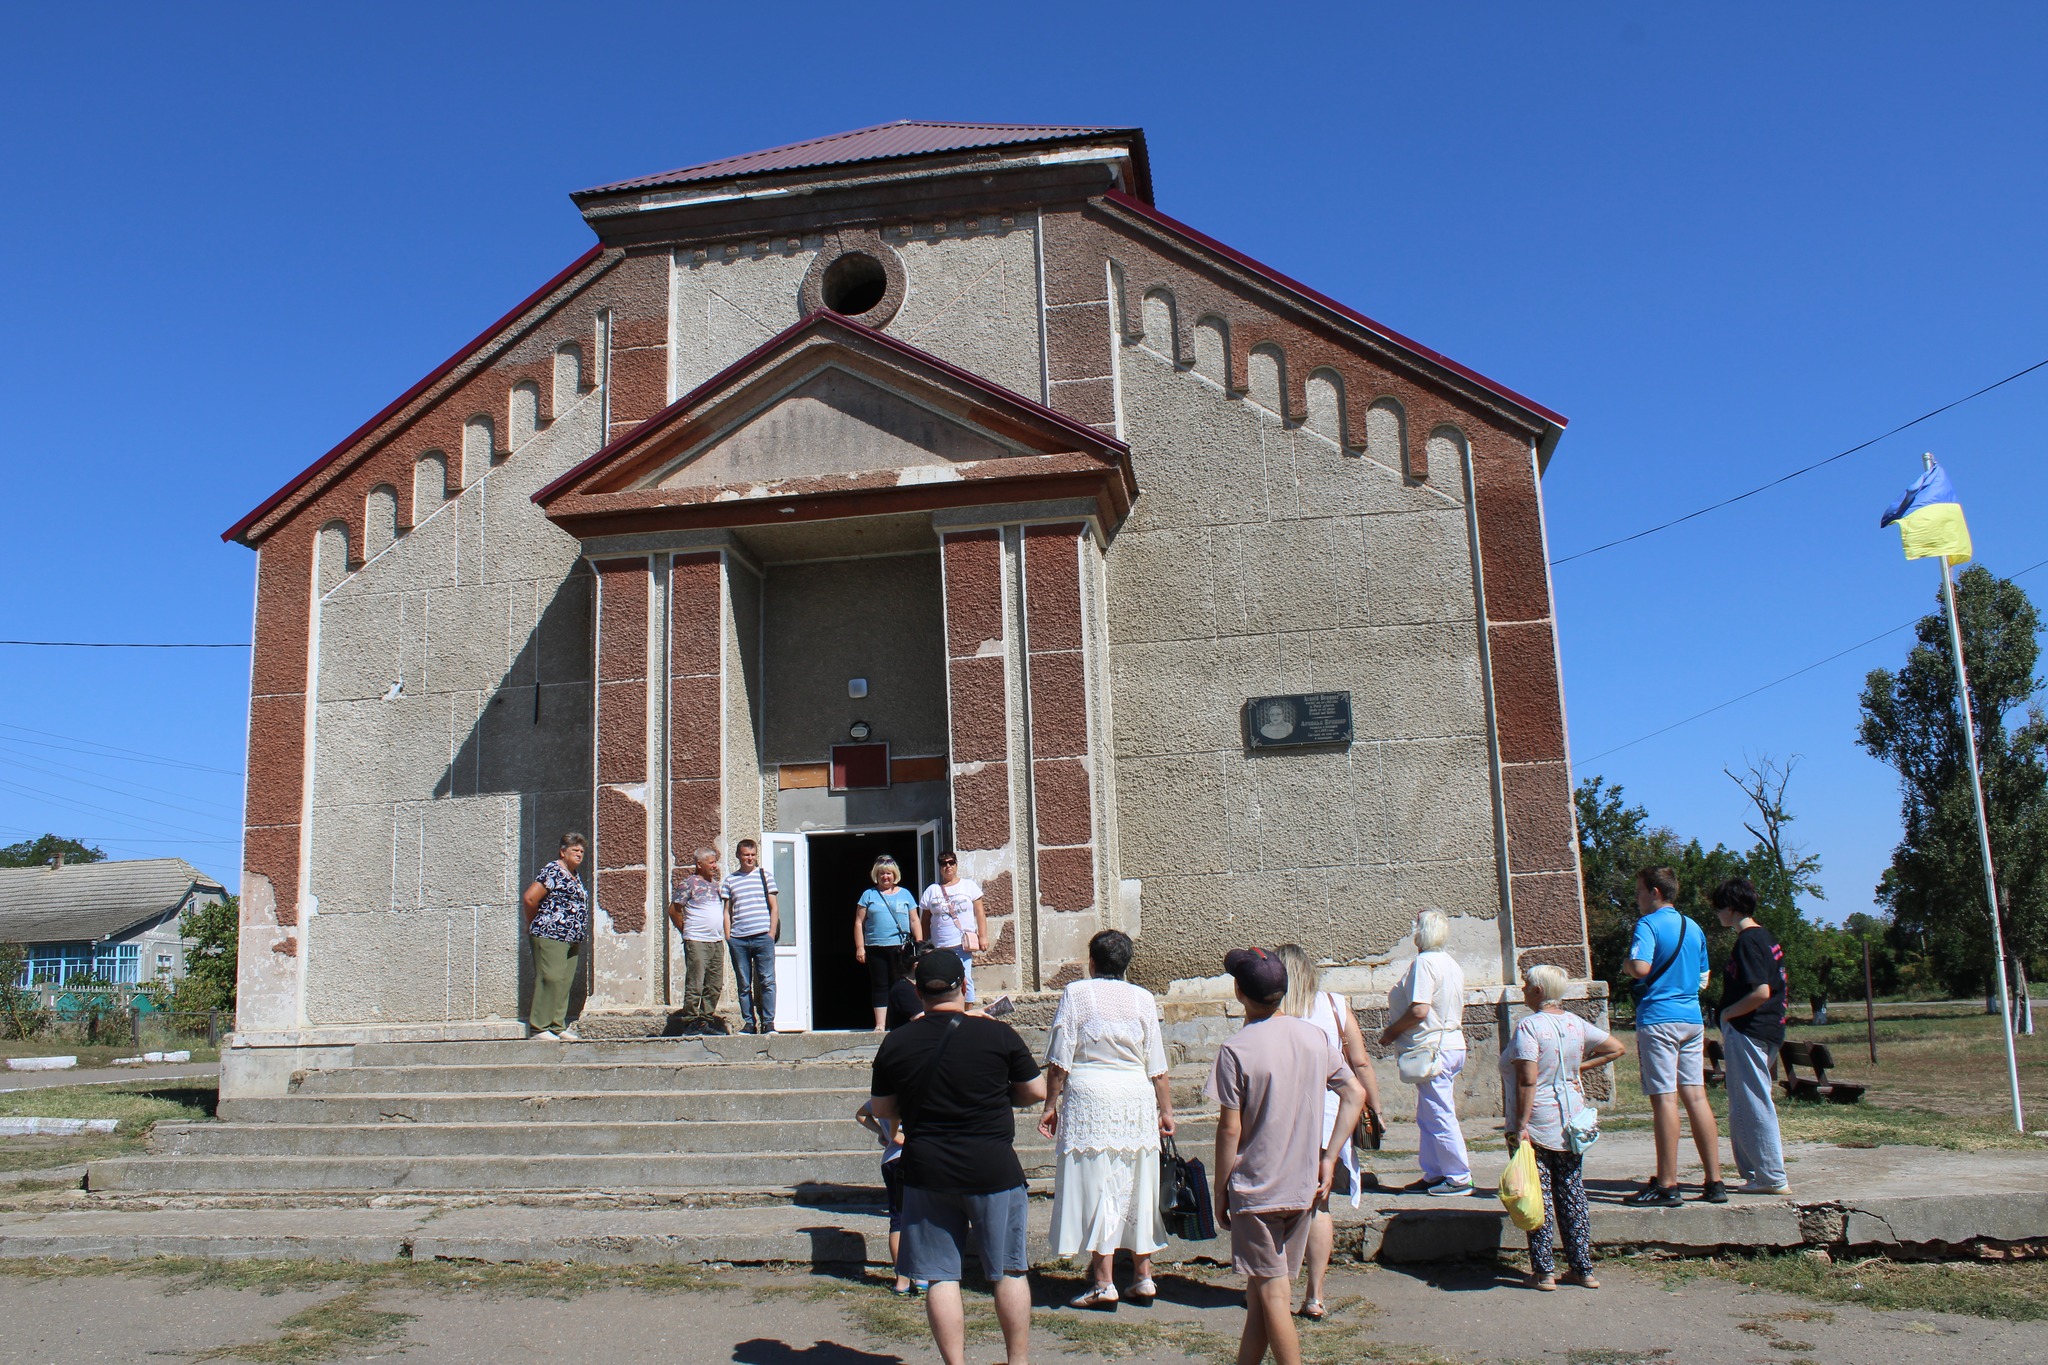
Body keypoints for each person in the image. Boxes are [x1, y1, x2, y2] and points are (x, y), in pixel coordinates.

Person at [869, 950, 1045, 1365]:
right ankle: (1017, 1362)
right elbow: (1035, 1091)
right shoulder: (997, 1034)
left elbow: (880, 1108)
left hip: (928, 1169)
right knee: (1009, 1270)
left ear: (917, 992)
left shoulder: (898, 1041)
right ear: (963, 987)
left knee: (940, 1277)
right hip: (993, 1166)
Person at [1208, 947, 1367, 1365]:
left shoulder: (1236, 1049)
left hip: (1257, 1186)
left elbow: (1230, 1128)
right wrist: (1330, 1156)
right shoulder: (1313, 1037)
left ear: (1240, 992)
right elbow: (1355, 1092)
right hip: (1302, 1186)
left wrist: (1220, 1188)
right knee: (1264, 1295)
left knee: (1272, 1293)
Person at [1037, 929, 1173, 1309]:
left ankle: (1103, 1281)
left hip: (1090, 1097)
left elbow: (1060, 1058)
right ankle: (1143, 1275)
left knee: (1098, 1182)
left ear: (1092, 961)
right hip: (1134, 1097)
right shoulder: (1143, 998)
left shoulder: (1077, 994)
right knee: (1136, 1180)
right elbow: (1157, 1064)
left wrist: (1050, 1105)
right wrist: (1166, 1110)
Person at [1275, 943, 1383, 1320]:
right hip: (1332, 1115)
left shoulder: (1274, 1009)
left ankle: (1277, 1293)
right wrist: (1376, 1107)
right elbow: (1360, 1061)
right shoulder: (1335, 1005)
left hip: (1284, 1116)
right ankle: (1315, 1296)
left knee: (1279, 1207)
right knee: (1320, 1206)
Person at [1504, 964, 1626, 1291]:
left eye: (1527, 984)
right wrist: (1576, 1068)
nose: (1523, 989)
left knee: (1537, 1193)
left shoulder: (1529, 1027)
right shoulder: (1576, 1023)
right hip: (1572, 1118)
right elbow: (1616, 1047)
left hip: (1538, 1120)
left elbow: (1527, 1080)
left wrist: (1521, 1124)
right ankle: (1582, 1268)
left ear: (1539, 991)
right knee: (1572, 1191)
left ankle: (1544, 1271)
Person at [1624, 866, 1724, 1206]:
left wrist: (1626, 965)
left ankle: (1667, 1183)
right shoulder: (1693, 927)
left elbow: (1640, 968)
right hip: (1692, 1019)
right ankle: (1715, 1180)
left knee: (1665, 1099)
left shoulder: (1648, 925)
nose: (1636, 898)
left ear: (1654, 892)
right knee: (1696, 1097)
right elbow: (1702, 978)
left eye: (1639, 891)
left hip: (1659, 1020)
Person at [1378, 909, 1472, 1196]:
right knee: (1430, 1113)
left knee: (1440, 1113)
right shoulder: (1450, 963)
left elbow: (1420, 1009)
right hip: (1450, 1044)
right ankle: (1434, 1172)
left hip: (1432, 1048)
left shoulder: (1424, 963)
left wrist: (1392, 1031)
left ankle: (1458, 1177)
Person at [1712, 876, 1791, 1195]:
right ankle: (1755, 1173)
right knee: (1744, 1102)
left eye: (1719, 908)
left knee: (1754, 1102)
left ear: (1731, 908)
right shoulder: (1764, 937)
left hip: (1751, 1030)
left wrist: (1728, 1014)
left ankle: (1771, 1176)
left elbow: (1761, 991)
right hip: (1766, 1030)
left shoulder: (1749, 940)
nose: (1717, 915)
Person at [519, 833, 588, 1041]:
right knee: (551, 978)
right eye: (575, 850)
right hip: (550, 933)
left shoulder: (574, 875)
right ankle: (539, 1027)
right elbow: (530, 898)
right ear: (563, 852)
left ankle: (557, 1025)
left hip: (571, 937)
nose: (579, 854)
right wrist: (532, 923)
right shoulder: (553, 870)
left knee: (564, 981)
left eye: (582, 851)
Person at [855, 856, 922, 1031]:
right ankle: (880, 1025)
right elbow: (858, 922)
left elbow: (914, 920)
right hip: (875, 946)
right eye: (882, 873)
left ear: (895, 875)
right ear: (877, 875)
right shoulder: (868, 895)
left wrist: (919, 944)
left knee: (900, 985)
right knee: (880, 985)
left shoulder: (905, 894)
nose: (886, 877)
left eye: (889, 873)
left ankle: (900, 1023)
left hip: (899, 947)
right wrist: (860, 947)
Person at [669, 846, 727, 1034]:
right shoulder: (689, 883)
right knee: (696, 982)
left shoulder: (717, 885)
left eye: (715, 862)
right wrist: (686, 930)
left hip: (716, 941)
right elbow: (674, 910)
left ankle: (705, 1020)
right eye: (711, 862)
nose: (715, 866)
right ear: (699, 864)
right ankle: (691, 1022)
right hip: (697, 940)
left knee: (714, 983)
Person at [723, 838, 780, 1034]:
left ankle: (769, 1022)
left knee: (767, 980)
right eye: (746, 855)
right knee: (744, 983)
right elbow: (727, 911)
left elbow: (774, 908)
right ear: (739, 856)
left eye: (753, 855)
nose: (750, 858)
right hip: (739, 939)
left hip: (762, 937)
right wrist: (729, 936)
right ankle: (749, 1023)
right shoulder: (730, 880)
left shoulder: (765, 876)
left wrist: (771, 933)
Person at [917, 851, 986, 1002]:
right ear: (940, 867)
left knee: (966, 979)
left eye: (951, 862)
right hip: (939, 945)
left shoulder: (968, 885)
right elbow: (925, 919)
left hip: (962, 944)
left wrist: (983, 937)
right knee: (943, 980)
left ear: (956, 864)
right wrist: (923, 942)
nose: (948, 866)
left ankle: (966, 1015)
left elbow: (980, 913)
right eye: (943, 863)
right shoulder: (932, 890)